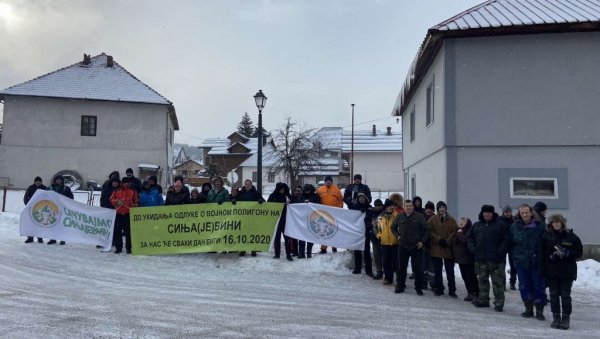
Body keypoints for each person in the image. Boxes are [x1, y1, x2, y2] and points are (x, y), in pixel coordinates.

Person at [539, 214, 583, 330]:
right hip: (552, 272)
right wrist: (551, 257)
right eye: (554, 222)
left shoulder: (572, 237)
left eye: (558, 222)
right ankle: (556, 317)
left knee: (565, 296)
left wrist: (567, 253)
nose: (556, 224)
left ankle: (566, 318)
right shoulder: (547, 236)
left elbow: (579, 252)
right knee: (553, 296)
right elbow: (542, 253)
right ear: (551, 224)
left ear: (562, 223)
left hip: (567, 272)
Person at [467, 205, 509, 311]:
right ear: (482, 213)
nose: (487, 214)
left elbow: (506, 240)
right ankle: (483, 300)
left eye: (489, 212)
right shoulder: (477, 225)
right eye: (485, 212)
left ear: (492, 213)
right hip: (481, 259)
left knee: (498, 283)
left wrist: (500, 252)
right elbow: (469, 237)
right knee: (482, 281)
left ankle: (499, 303)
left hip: (497, 260)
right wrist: (473, 249)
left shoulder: (500, 225)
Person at [511, 204, 547, 320]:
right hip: (522, 262)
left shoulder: (540, 226)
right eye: (522, 213)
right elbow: (511, 244)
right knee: (524, 286)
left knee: (538, 286)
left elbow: (546, 243)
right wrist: (516, 258)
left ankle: (540, 310)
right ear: (519, 214)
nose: (525, 215)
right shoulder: (514, 227)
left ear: (531, 213)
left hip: (536, 262)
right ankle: (528, 308)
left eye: (527, 212)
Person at [392, 199, 429, 295]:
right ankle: (400, 286)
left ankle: (418, 288)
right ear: (404, 207)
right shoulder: (399, 217)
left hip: (416, 246)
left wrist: (422, 242)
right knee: (401, 268)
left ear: (413, 207)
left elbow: (427, 230)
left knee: (417, 269)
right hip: (403, 246)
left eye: (410, 206)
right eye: (407, 206)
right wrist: (398, 236)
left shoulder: (419, 217)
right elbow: (393, 227)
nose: (409, 208)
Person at [428, 201, 458, 297]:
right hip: (436, 247)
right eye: (440, 207)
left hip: (448, 248)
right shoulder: (432, 219)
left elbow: (454, 232)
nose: (442, 209)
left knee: (450, 271)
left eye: (444, 207)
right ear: (437, 209)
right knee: (437, 270)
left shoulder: (452, 220)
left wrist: (447, 241)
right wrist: (439, 240)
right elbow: (430, 231)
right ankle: (439, 288)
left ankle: (452, 290)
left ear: (446, 208)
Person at [109, 177, 139, 254]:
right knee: (117, 232)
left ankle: (129, 248)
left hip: (128, 214)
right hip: (118, 214)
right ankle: (118, 248)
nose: (127, 184)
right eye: (125, 182)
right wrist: (116, 201)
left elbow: (136, 200)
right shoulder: (116, 190)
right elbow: (111, 199)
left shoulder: (133, 190)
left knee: (128, 232)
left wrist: (135, 205)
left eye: (128, 182)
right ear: (122, 183)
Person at [453, 218, 479, 302]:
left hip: (468, 259)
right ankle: (470, 292)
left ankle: (475, 293)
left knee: (471, 277)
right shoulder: (458, 231)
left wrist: (459, 234)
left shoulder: (469, 231)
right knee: (465, 277)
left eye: (464, 222)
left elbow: (465, 240)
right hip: (461, 259)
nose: (461, 223)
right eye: (460, 221)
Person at [348, 193, 373, 276]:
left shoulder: (369, 208)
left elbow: (371, 218)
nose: (361, 199)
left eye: (363, 198)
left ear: (366, 199)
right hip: (357, 233)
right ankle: (357, 268)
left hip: (366, 232)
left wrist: (365, 211)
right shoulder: (354, 208)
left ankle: (368, 270)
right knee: (357, 251)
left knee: (366, 251)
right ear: (357, 199)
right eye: (360, 198)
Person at [316, 175, 343, 254]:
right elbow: (316, 199)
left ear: (332, 181)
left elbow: (340, 201)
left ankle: (334, 247)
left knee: (333, 231)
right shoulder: (320, 190)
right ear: (325, 182)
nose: (328, 181)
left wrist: (338, 210)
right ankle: (323, 248)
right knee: (323, 231)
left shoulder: (336, 190)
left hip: (333, 214)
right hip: (323, 214)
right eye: (327, 180)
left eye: (329, 180)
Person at [238, 179, 265, 257]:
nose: (247, 185)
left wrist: (261, 200)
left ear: (251, 184)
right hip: (243, 216)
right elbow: (236, 200)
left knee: (253, 233)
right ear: (244, 185)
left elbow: (263, 201)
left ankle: (253, 249)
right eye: (246, 184)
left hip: (253, 217)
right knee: (243, 233)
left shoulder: (256, 193)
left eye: (248, 184)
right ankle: (243, 249)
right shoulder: (241, 193)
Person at [375, 199, 398, 285]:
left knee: (396, 263)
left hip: (395, 243)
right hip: (384, 244)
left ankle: (399, 279)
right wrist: (380, 236)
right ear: (386, 207)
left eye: (392, 206)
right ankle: (388, 278)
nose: (391, 207)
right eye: (389, 206)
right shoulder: (381, 217)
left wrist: (398, 237)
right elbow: (376, 228)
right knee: (385, 262)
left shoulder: (397, 216)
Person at [268, 182, 293, 260]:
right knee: (277, 238)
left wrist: (289, 201)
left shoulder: (287, 196)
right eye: (281, 189)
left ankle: (288, 255)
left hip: (286, 220)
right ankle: (277, 254)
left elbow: (293, 204)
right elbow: (268, 206)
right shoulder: (272, 196)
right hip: (276, 220)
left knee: (287, 238)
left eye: (283, 189)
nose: (282, 190)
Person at [47, 175, 73, 245]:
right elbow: (44, 196)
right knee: (53, 224)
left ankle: (63, 238)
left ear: (62, 181)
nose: (58, 181)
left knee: (62, 224)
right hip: (52, 209)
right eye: (57, 180)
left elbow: (71, 197)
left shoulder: (66, 188)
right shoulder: (50, 188)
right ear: (55, 180)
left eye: (59, 180)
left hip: (63, 209)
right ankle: (53, 238)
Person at [297, 184, 320, 258]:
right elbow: (297, 204)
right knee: (301, 237)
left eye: (308, 191)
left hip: (312, 219)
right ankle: (301, 253)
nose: (307, 192)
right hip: (302, 219)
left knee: (311, 236)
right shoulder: (301, 196)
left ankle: (309, 252)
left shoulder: (315, 196)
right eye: (306, 191)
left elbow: (319, 205)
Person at [499, 204, 517, 290]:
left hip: (512, 245)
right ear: (503, 212)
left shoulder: (514, 220)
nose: (508, 213)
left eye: (509, 211)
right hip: (502, 244)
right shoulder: (499, 220)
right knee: (502, 264)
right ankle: (502, 283)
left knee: (513, 264)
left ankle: (512, 282)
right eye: (506, 212)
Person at [23, 176, 47, 243]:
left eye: (39, 181)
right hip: (31, 209)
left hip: (41, 209)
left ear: (41, 182)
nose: (38, 182)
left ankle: (40, 238)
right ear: (34, 181)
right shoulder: (30, 188)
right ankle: (30, 238)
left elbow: (48, 198)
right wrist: (28, 206)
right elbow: (25, 197)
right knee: (31, 224)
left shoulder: (45, 188)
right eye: (37, 181)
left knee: (39, 224)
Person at [370, 199, 385, 280]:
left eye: (380, 205)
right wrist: (371, 223)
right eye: (377, 205)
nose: (378, 207)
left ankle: (387, 272)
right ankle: (379, 272)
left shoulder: (385, 213)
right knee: (377, 256)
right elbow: (366, 222)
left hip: (384, 239)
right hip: (374, 238)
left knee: (385, 257)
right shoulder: (371, 213)